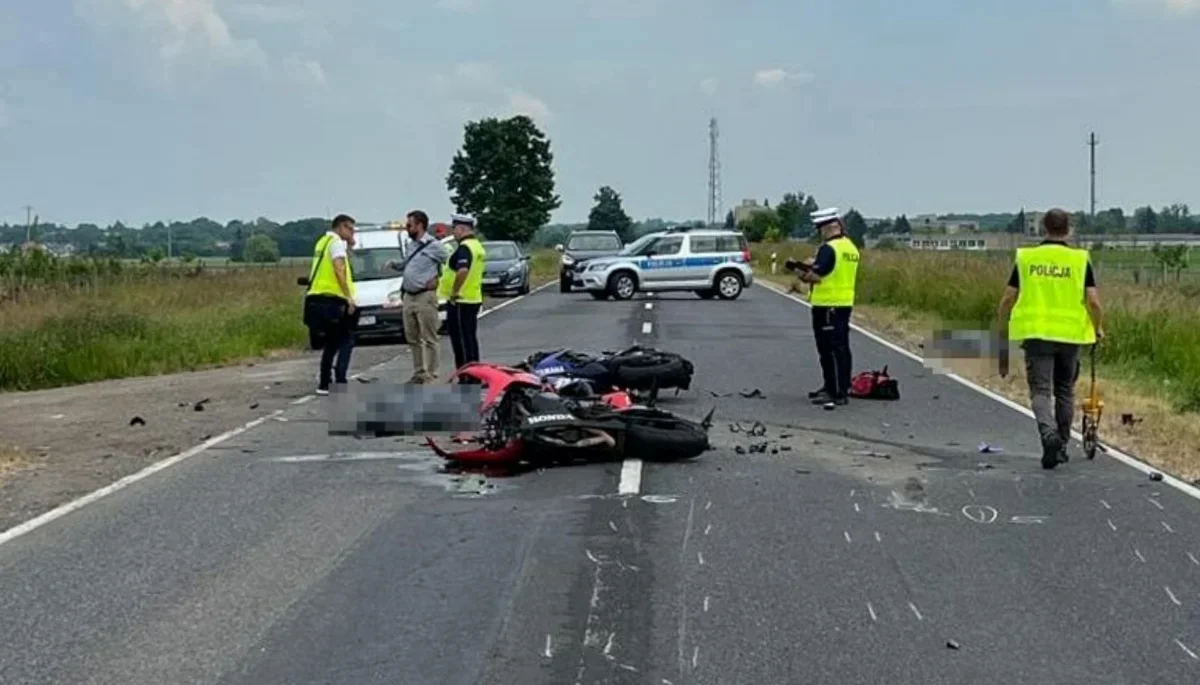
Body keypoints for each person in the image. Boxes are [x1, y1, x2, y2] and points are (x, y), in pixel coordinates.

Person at [997, 208, 1104, 470]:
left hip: (1037, 335)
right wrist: (1098, 328)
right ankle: (1063, 445)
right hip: (1070, 335)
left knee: (1041, 391)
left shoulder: (1027, 259)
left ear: (1044, 228)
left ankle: (1048, 434)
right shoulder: (1079, 260)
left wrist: (1002, 326)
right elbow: (1094, 302)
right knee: (1065, 390)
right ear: (1068, 229)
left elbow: (1008, 298)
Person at [791, 207, 860, 410]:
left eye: (820, 228)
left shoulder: (829, 249)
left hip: (827, 304)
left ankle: (835, 391)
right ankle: (840, 386)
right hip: (843, 302)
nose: (820, 232)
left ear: (829, 227)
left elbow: (817, 276)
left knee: (828, 350)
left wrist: (799, 272)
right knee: (841, 347)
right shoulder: (850, 247)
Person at [384, 210, 447, 383]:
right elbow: (407, 264)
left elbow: (448, 263)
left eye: (409, 225)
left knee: (429, 336)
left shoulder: (434, 245)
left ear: (419, 225)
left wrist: (438, 278)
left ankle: (432, 373)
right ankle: (419, 372)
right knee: (412, 336)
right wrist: (394, 265)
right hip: (409, 295)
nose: (407, 228)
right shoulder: (411, 245)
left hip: (425, 296)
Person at [303, 214, 358, 395]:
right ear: (341, 227)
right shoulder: (336, 243)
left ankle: (324, 383)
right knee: (346, 340)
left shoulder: (322, 242)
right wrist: (348, 296)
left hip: (317, 300)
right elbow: (339, 268)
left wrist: (349, 245)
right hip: (333, 300)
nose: (352, 232)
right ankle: (340, 379)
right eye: (350, 229)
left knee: (332, 343)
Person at [444, 213, 487, 374]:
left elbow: (462, 271)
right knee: (469, 339)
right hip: (472, 297)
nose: (453, 232)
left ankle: (467, 375)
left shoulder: (464, 248)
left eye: (454, 228)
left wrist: (455, 292)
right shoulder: (477, 246)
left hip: (461, 300)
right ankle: (475, 372)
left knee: (461, 341)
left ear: (462, 229)